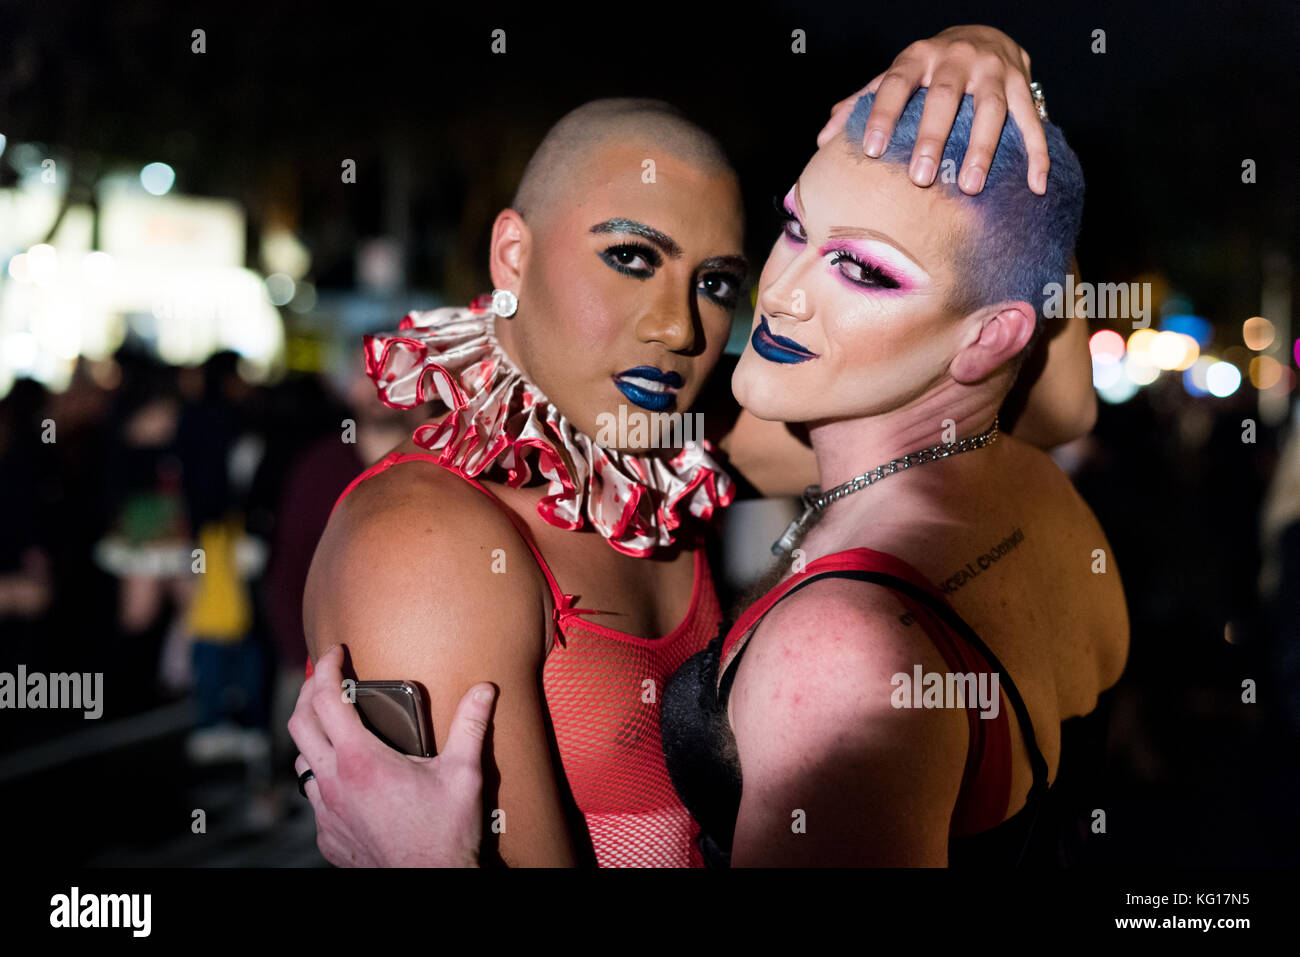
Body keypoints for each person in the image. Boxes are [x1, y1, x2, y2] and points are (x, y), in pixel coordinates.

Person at [290, 27, 1101, 867]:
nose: (680, 329)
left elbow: (1037, 407)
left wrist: (1012, 129)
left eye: (715, 282)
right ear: (512, 254)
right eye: (631, 256)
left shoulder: (668, 457)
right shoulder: (423, 544)